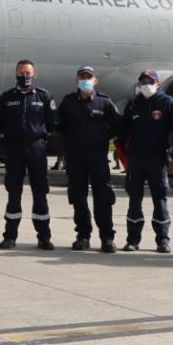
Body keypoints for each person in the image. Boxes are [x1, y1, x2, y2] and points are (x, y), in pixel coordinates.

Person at [116, 70, 173, 253]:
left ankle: (162, 240)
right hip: (137, 158)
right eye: (143, 81)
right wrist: (123, 155)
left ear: (158, 83)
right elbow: (123, 132)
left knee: (160, 199)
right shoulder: (133, 105)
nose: (146, 84)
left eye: (150, 81)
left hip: (158, 158)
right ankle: (133, 239)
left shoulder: (167, 103)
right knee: (134, 200)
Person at [56, 65, 121, 253]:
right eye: (82, 77)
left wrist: (104, 137)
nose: (86, 80)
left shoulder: (104, 103)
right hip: (75, 158)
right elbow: (58, 124)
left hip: (98, 158)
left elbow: (118, 124)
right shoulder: (68, 102)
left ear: (95, 81)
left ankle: (107, 237)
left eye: (89, 77)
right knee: (78, 197)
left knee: (103, 197)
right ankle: (83, 235)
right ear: (77, 80)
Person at [0, 60, 57, 251]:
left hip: (36, 148)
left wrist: (40, 136)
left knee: (40, 194)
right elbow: (0, 123)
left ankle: (44, 237)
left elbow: (52, 122)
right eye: (21, 72)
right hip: (14, 148)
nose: (25, 76)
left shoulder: (44, 96)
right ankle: (10, 236)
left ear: (34, 74)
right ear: (16, 74)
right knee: (14, 193)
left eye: (28, 72)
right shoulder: (7, 97)